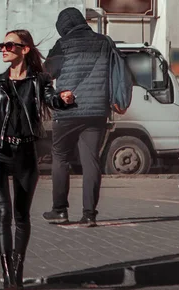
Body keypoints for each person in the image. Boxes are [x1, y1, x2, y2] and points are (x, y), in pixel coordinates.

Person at [0, 30, 74, 290]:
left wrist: (63, 100)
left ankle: (18, 266)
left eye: (9, 45)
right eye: (1, 45)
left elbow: (51, 98)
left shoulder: (39, 80)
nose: (3, 49)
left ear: (24, 50)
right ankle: (7, 275)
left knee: (21, 215)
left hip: (25, 153)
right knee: (3, 212)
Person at [42, 7, 116, 227]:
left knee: (61, 156)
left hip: (68, 109)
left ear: (63, 26)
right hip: (97, 110)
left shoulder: (62, 45)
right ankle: (90, 214)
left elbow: (48, 74)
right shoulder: (105, 42)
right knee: (91, 160)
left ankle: (60, 210)